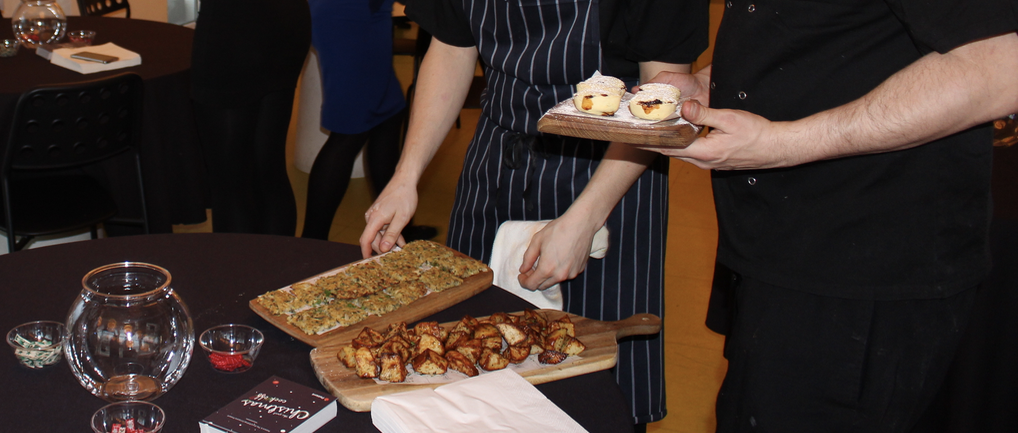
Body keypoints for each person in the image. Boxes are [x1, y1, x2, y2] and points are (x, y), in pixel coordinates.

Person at [630, 0, 1018, 430]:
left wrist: (782, 142)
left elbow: (999, 68)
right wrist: (710, 82)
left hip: (862, 274)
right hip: (779, 252)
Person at [360, 0, 709, 428]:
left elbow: (662, 97)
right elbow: (452, 48)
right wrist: (405, 176)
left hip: (610, 171)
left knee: (593, 388)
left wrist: (585, 219)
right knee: (469, 371)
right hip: (496, 163)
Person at [300, 0, 436, 242]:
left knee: (389, 116)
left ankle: (398, 228)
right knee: (349, 131)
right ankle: (312, 240)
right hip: (348, 15)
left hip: (369, 13)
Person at [190, 0, 311, 235]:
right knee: (269, 167)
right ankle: (281, 266)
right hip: (288, 19)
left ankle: (243, 269)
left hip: (234, 26)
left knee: (230, 183)